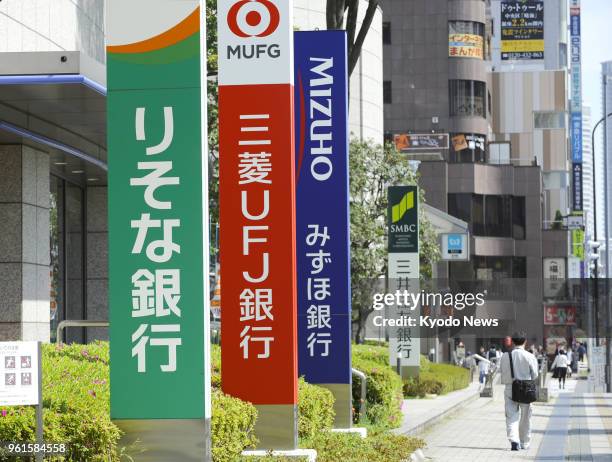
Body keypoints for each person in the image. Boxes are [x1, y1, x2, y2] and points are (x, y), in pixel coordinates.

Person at [500, 332, 539, 451]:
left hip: (510, 388)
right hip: (526, 388)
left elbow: (502, 372)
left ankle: (514, 441)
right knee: (526, 417)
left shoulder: (505, 356)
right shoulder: (529, 356)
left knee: (511, 415)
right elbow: (535, 374)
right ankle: (525, 443)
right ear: (525, 341)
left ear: (512, 341)